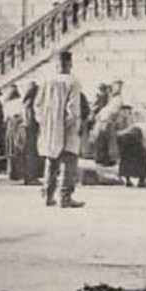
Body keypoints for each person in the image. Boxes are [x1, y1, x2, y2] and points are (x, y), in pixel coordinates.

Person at [35, 50, 84, 208]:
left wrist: (44, 122)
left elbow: (38, 104)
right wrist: (66, 126)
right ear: (70, 64)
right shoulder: (73, 82)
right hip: (67, 128)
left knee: (51, 160)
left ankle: (48, 196)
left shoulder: (47, 81)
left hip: (49, 126)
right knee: (69, 162)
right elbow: (73, 110)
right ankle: (65, 197)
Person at [21, 80, 43, 185]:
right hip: (32, 129)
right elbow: (33, 118)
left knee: (28, 153)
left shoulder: (26, 103)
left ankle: (28, 176)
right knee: (32, 153)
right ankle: (31, 177)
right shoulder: (32, 104)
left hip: (26, 129)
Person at [3, 85, 26, 181]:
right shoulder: (21, 102)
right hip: (19, 125)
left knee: (11, 149)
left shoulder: (7, 104)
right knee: (19, 149)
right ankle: (19, 172)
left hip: (11, 125)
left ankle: (12, 172)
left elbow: (5, 118)